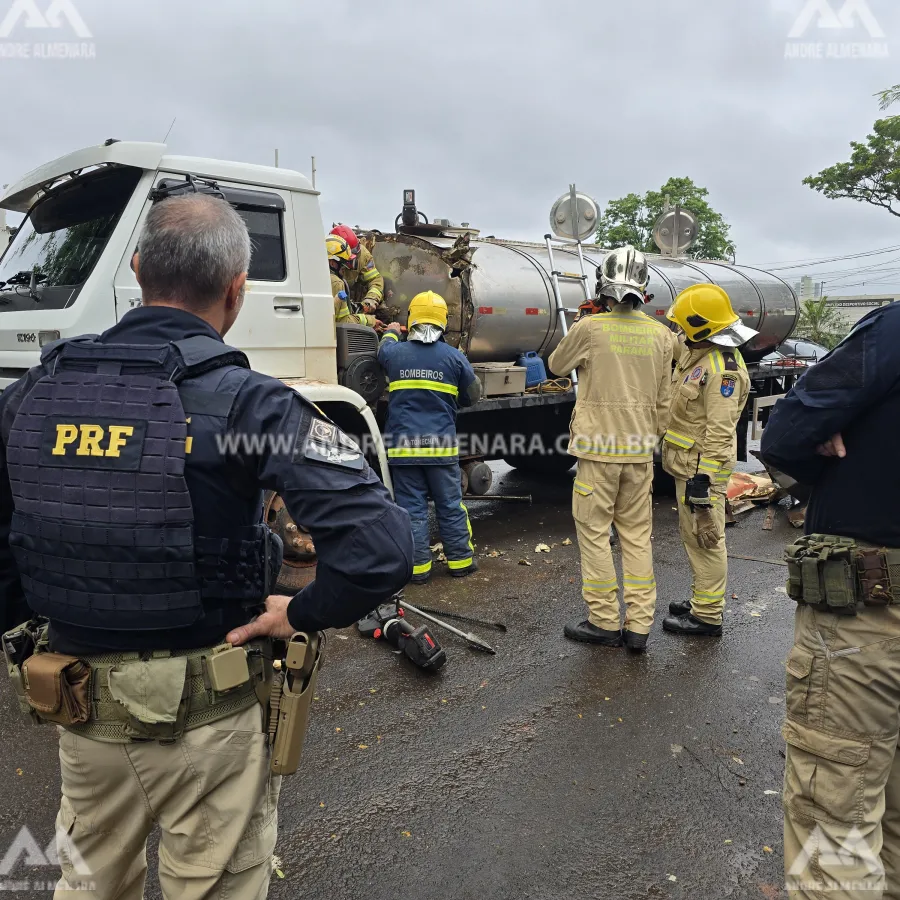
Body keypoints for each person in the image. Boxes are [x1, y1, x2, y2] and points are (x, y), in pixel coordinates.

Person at [0, 193, 413, 900]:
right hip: (208, 726)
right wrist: (300, 612)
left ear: (136, 270)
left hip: (77, 712)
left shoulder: (34, 391)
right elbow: (380, 549)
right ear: (237, 289)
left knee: (88, 884)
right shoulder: (253, 402)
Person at [761, 303, 900, 897]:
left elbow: (787, 434)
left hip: (870, 615)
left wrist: (853, 435)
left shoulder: (893, 333)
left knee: (837, 812)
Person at [547, 246, 675, 652]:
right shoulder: (662, 336)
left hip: (598, 454)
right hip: (640, 453)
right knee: (637, 538)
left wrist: (585, 321)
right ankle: (639, 626)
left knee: (595, 535)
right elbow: (664, 399)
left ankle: (603, 621)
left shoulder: (590, 328)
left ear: (603, 288)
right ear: (643, 292)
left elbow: (555, 365)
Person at [660, 284, 756, 637]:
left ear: (701, 327)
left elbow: (719, 431)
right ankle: (703, 597)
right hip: (688, 464)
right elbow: (672, 344)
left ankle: (707, 615)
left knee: (706, 539)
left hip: (701, 471)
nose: (680, 333)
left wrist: (705, 480)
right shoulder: (699, 352)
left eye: (685, 327)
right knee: (694, 537)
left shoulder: (722, 372)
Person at [377, 290, 482, 583]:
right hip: (440, 448)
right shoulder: (454, 358)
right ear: (442, 323)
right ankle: (460, 562)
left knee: (412, 510)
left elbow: (382, 349)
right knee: (450, 506)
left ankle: (418, 570)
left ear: (411, 320)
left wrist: (390, 332)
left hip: (403, 448)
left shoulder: (394, 353)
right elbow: (473, 396)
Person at [330, 224, 385, 315]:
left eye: (356, 249)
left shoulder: (363, 256)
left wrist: (371, 299)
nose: (354, 258)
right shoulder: (323, 261)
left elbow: (375, 279)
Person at [327, 234, 378, 328]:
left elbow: (375, 279)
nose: (347, 268)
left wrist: (371, 298)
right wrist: (370, 320)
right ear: (332, 262)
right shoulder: (337, 283)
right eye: (344, 263)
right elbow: (343, 322)